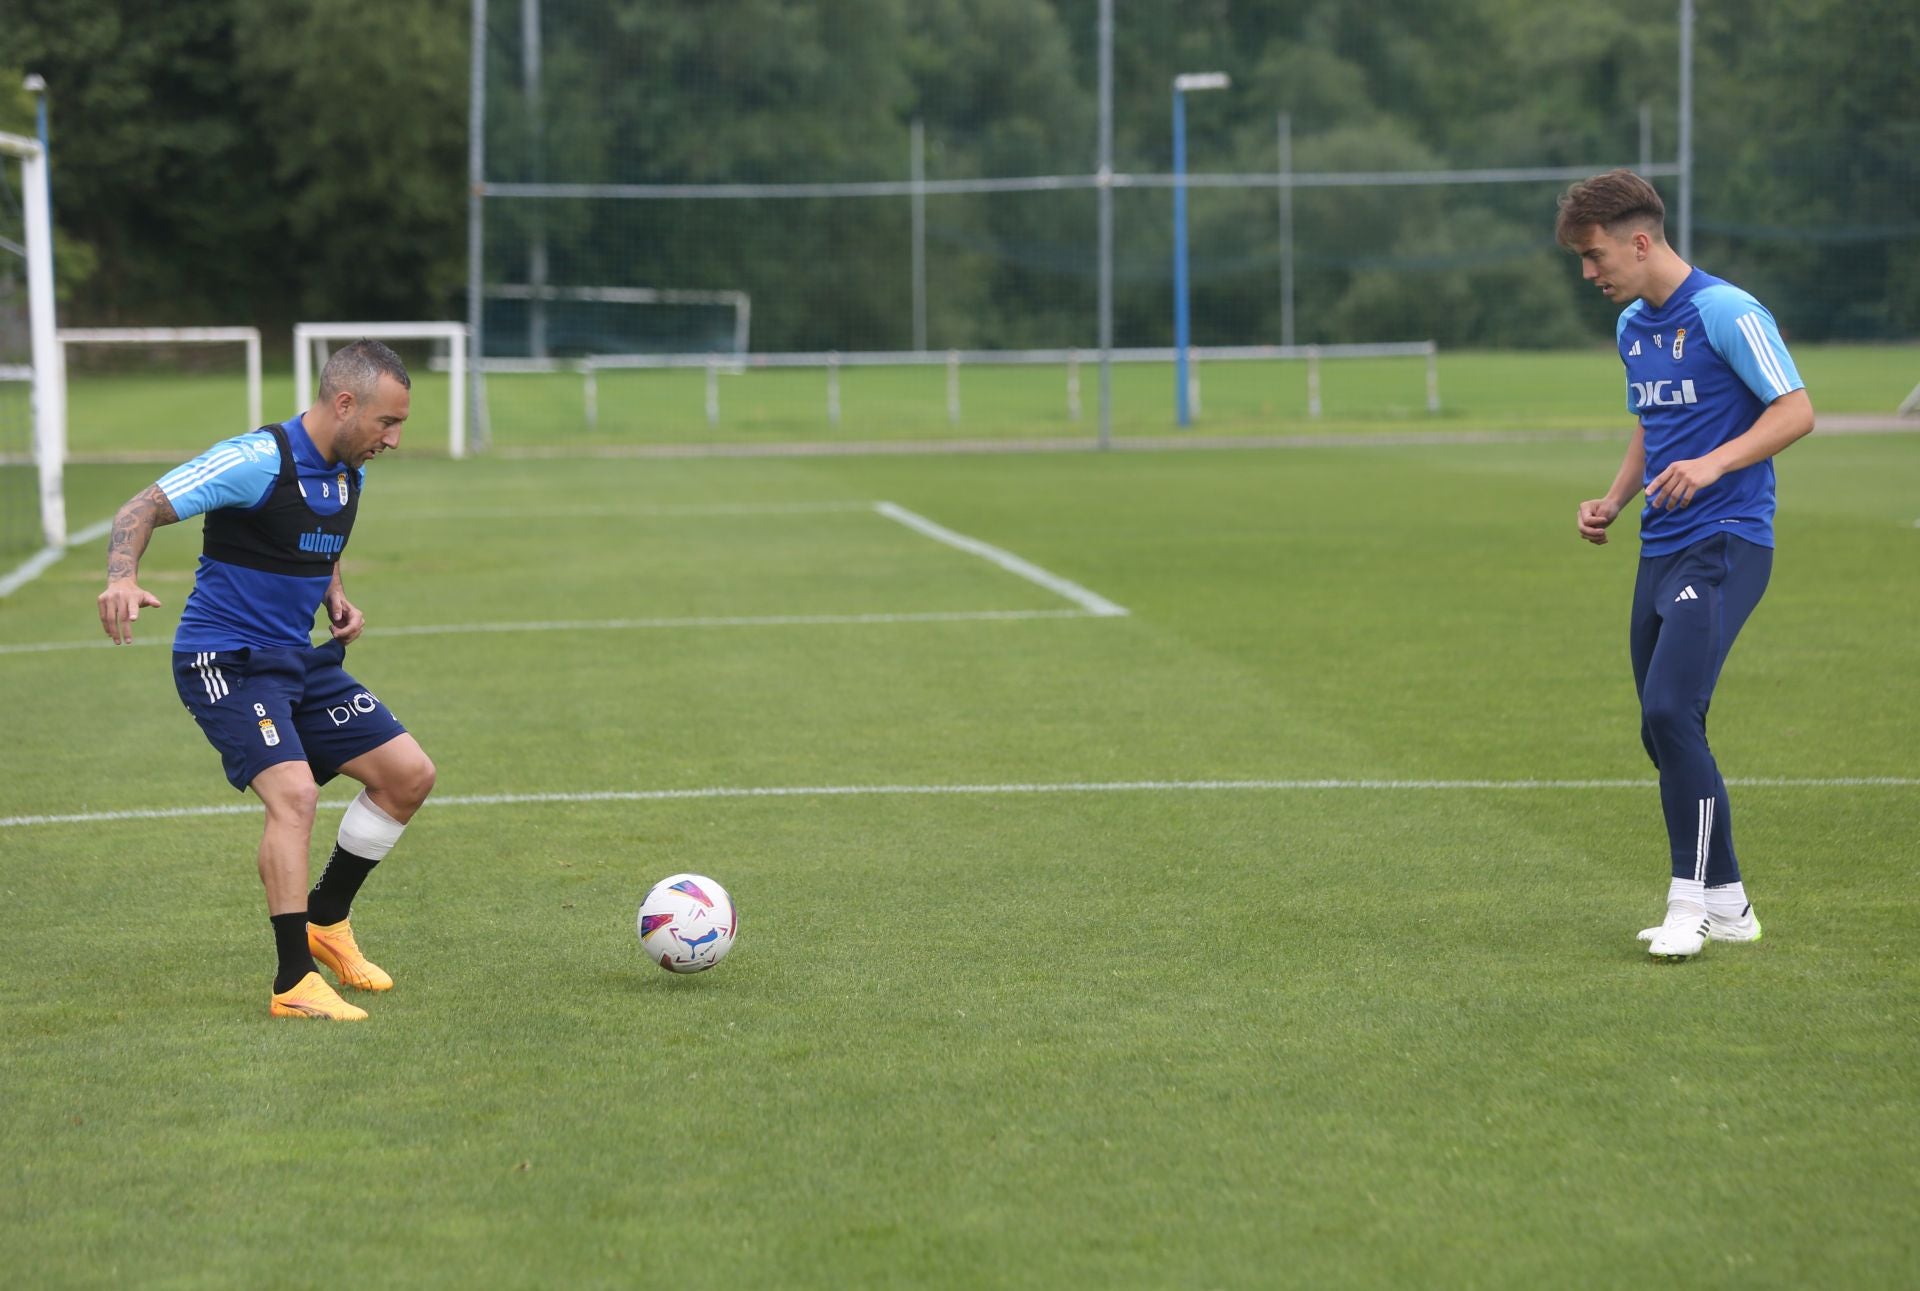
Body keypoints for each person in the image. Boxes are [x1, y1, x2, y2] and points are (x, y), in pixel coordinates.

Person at [97, 339, 437, 1018]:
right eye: (387, 422)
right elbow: (140, 507)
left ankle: (327, 922)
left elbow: (318, 542)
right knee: (295, 796)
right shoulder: (256, 460)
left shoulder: (350, 471)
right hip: (225, 661)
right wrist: (121, 576)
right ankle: (292, 983)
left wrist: (334, 595)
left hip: (297, 660)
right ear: (345, 403)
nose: (394, 439)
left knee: (408, 774)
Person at [1557, 169, 1815, 961]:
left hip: (1730, 538)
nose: (1589, 273)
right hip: (1661, 546)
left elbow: (1796, 411)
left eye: (1596, 256)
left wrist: (1711, 465)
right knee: (1662, 728)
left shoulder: (1727, 311)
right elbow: (1653, 419)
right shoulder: (1634, 326)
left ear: (1641, 241)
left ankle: (1687, 903)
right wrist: (1613, 499)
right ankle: (1731, 901)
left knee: (1672, 712)